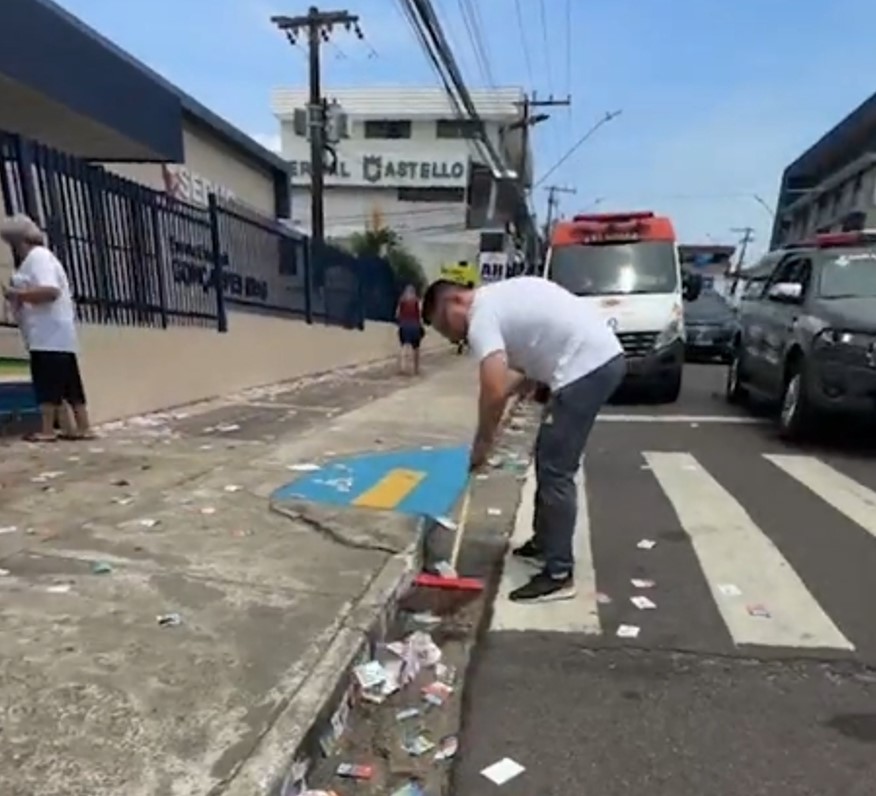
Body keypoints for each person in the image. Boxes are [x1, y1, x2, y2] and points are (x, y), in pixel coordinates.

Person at [421, 275, 625, 603]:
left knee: (556, 469)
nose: (451, 337)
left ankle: (559, 572)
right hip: (593, 361)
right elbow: (518, 373)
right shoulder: (498, 299)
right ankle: (544, 545)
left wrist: (483, 443)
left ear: (455, 301)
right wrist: (518, 389)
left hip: (587, 368)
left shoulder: (481, 315)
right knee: (548, 458)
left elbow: (492, 388)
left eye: (445, 327)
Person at [1, 214, 95, 441]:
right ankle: (81, 427)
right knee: (69, 383)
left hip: (47, 334)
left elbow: (50, 291)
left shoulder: (38, 258)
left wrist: (17, 294)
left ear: (19, 241)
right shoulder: (44, 257)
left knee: (47, 382)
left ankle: (47, 430)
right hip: (58, 334)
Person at [395, 284, 424, 375]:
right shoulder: (417, 301)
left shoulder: (401, 301)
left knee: (404, 346)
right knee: (416, 348)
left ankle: (403, 367)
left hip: (404, 325)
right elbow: (421, 314)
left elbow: (397, 314)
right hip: (415, 326)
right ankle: (416, 369)